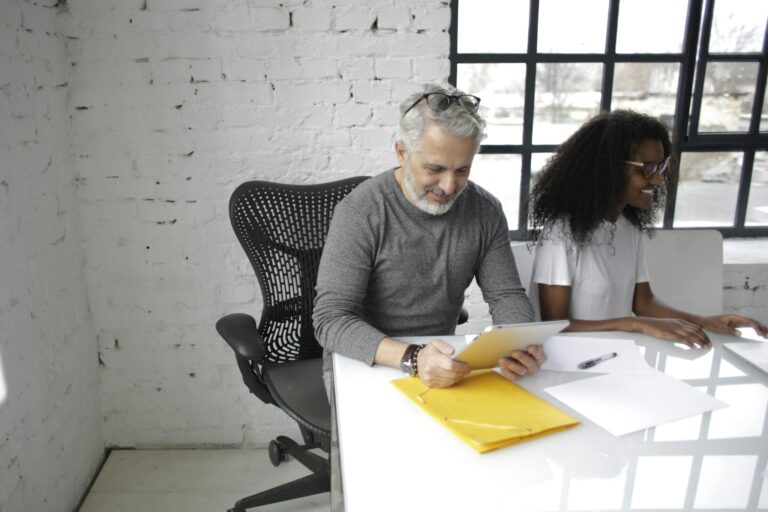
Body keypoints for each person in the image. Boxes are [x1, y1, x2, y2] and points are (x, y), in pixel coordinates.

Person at [313, 83, 543, 393]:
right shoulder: (361, 211)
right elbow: (331, 319)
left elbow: (507, 296)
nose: (448, 186)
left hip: (441, 359)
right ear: (402, 152)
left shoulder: (485, 211)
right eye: (435, 169)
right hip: (363, 361)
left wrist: (519, 341)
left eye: (462, 170)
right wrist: (414, 358)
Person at [529, 109, 768, 348]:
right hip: (570, 366)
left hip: (618, 356)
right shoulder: (561, 232)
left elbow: (643, 303)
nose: (657, 180)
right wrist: (636, 324)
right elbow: (555, 325)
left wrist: (703, 321)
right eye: (646, 168)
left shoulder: (628, 226)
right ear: (608, 169)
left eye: (660, 167)